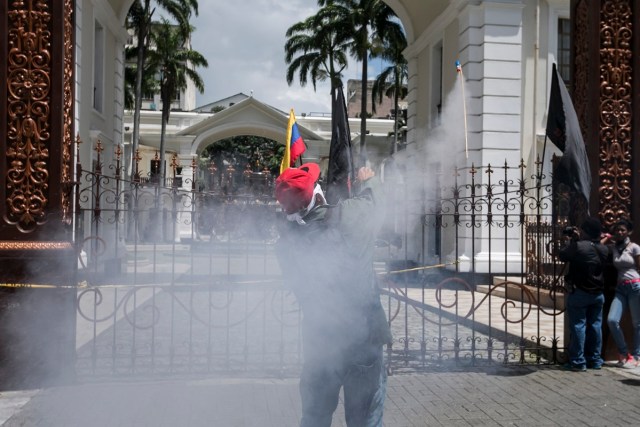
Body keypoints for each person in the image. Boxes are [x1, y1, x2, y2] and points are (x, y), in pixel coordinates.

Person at [274, 163, 392, 427]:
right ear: (317, 195)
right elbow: (376, 206)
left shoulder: (284, 247)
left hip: (321, 344)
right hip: (363, 340)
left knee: (314, 417)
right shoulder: (351, 216)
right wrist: (369, 181)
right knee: (367, 421)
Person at [558, 217, 608, 371]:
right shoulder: (604, 248)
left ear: (585, 231)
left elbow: (562, 255)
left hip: (580, 292)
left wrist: (570, 240)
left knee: (578, 326)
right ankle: (595, 359)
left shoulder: (578, 246)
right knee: (595, 326)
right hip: (598, 293)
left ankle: (578, 362)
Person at [604, 218, 640, 367]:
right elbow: (599, 246)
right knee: (612, 320)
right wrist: (608, 237)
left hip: (634, 286)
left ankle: (637, 356)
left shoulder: (634, 247)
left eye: (623, 230)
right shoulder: (614, 248)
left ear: (629, 232)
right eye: (617, 230)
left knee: (637, 323)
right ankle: (624, 352)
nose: (620, 232)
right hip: (620, 288)